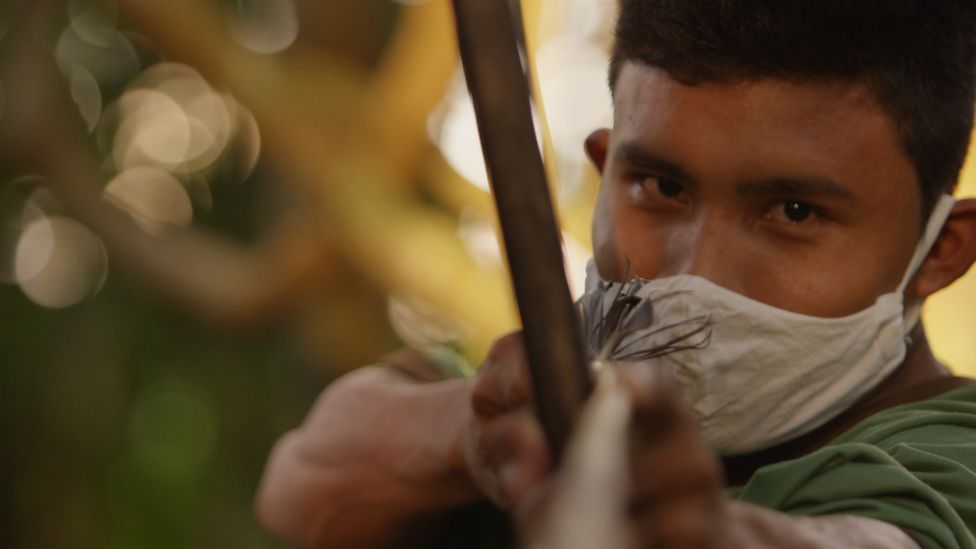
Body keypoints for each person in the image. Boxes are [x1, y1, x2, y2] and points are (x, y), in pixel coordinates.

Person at [255, 1, 976, 547]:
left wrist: (697, 532)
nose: (697, 273)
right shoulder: (548, 388)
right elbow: (299, 484)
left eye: (793, 210)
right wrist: (480, 436)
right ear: (604, 170)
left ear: (942, 249)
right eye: (661, 188)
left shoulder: (952, 466)